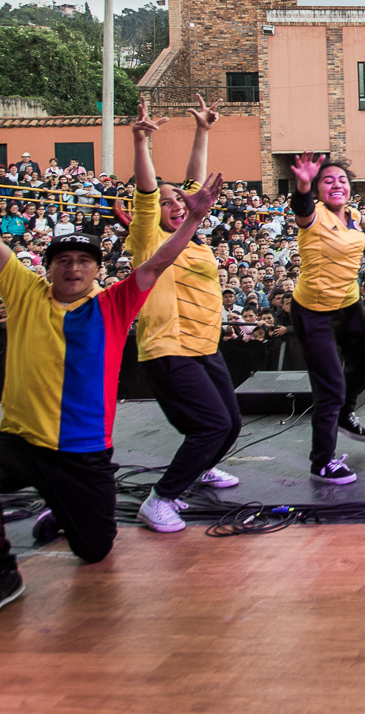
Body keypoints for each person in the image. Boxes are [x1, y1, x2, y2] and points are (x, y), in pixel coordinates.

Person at [0, 129, 220, 628]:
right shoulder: (23, 292)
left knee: (95, 551)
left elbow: (157, 262)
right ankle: (1, 576)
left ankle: (62, 509)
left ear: (96, 271)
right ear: (48, 267)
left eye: (84, 261)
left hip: (82, 453)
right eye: (64, 260)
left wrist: (192, 219)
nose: (73, 268)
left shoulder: (113, 305)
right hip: (20, 441)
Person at [126, 97, 243, 534]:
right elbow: (147, 193)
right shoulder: (148, 236)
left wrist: (203, 132)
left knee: (229, 425)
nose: (177, 204)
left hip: (203, 345)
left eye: (181, 200)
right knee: (212, 425)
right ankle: (161, 499)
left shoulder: (194, 240)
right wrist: (141, 143)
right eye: (168, 200)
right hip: (168, 346)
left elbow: (195, 190)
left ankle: (201, 467)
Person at [289, 152, 365, 485]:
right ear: (317, 190)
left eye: (342, 179)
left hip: (348, 304)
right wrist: (303, 182)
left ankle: (344, 412)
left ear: (351, 188)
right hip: (314, 311)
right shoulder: (313, 216)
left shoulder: (352, 214)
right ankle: (321, 463)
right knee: (330, 386)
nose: (336, 184)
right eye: (327, 180)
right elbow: (301, 206)